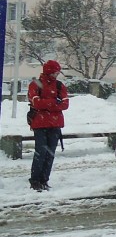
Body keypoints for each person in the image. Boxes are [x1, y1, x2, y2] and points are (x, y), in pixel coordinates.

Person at [28, 59, 69, 191]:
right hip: (41, 124)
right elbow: (35, 102)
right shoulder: (36, 84)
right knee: (41, 152)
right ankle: (35, 180)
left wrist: (45, 104)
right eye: (54, 73)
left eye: (57, 73)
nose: (56, 75)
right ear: (49, 71)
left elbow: (65, 104)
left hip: (53, 124)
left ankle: (44, 179)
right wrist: (54, 103)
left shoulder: (59, 85)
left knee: (49, 154)